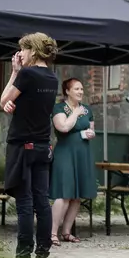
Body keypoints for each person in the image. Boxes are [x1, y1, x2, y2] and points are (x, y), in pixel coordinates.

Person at [0, 32, 60, 258]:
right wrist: (12, 104)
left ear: (32, 51)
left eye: (22, 50)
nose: (19, 55)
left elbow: (4, 99)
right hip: (42, 145)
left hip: (22, 144)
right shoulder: (52, 78)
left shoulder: (26, 74)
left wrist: (14, 72)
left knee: (25, 204)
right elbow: (25, 104)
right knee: (42, 203)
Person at [50, 77, 97, 245]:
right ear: (67, 91)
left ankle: (66, 232)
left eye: (82, 89)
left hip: (82, 153)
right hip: (65, 153)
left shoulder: (87, 109)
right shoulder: (59, 108)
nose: (80, 92)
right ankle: (52, 232)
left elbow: (91, 129)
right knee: (64, 193)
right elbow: (63, 127)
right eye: (77, 89)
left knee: (76, 196)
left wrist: (91, 133)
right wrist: (76, 113)